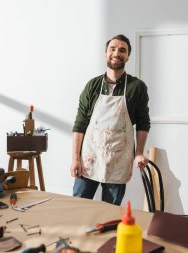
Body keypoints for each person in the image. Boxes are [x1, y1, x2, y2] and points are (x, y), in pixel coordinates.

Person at [70, 34, 150, 206]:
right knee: (78, 206)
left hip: (119, 158)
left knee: (110, 212)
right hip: (90, 157)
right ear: (106, 53)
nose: (117, 53)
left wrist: (139, 153)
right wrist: (75, 158)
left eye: (122, 50)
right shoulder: (92, 86)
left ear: (128, 56)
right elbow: (80, 123)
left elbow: (143, 123)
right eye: (112, 49)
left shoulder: (137, 87)